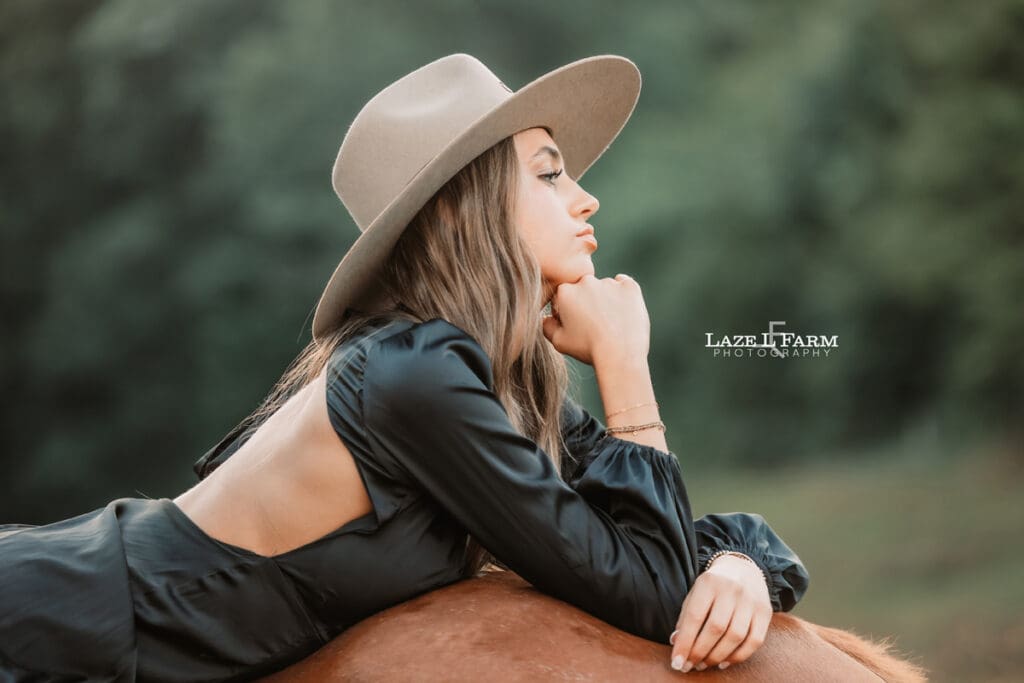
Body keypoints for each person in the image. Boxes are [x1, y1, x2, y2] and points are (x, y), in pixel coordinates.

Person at [0, 53, 809, 681]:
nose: (585, 198)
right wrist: (626, 366)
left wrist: (746, 560)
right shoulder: (412, 375)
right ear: (464, 206)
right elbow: (651, 589)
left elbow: (638, 549)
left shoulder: (480, 377)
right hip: (52, 630)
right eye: (551, 171)